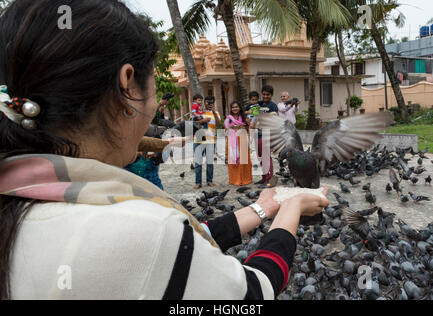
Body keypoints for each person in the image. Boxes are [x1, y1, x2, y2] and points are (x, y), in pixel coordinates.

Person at [0, 0, 329, 300]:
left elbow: (184, 246)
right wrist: (292, 207)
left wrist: (259, 209)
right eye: (155, 86)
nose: (156, 102)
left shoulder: (20, 199)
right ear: (126, 85)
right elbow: (253, 294)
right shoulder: (143, 230)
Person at [246, 85, 278, 186]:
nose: (265, 96)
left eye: (267, 95)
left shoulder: (273, 106)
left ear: (271, 95)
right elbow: (250, 111)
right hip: (257, 133)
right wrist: (248, 118)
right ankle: (264, 178)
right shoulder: (258, 104)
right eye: (263, 94)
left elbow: (274, 121)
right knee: (260, 156)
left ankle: (269, 180)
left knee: (266, 157)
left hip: (267, 134)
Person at [192, 96, 220, 189]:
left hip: (211, 140)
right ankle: (198, 182)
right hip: (198, 139)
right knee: (198, 162)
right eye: (208, 102)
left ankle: (209, 181)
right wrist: (203, 120)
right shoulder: (199, 112)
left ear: (214, 103)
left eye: (211, 102)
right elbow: (192, 123)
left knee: (210, 162)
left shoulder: (216, 113)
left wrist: (213, 113)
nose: (209, 104)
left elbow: (219, 123)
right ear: (205, 102)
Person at [224, 101, 252, 186]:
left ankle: (245, 178)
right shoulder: (228, 119)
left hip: (242, 140)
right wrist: (230, 128)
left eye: (236, 107)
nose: (235, 109)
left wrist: (246, 125)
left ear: (239, 108)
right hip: (232, 142)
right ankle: (235, 179)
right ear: (231, 109)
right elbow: (225, 131)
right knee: (233, 160)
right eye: (233, 107)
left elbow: (249, 127)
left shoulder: (244, 117)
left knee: (243, 160)